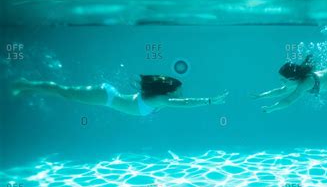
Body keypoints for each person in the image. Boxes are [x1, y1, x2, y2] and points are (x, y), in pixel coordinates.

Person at [12, 75, 228, 116]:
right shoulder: (163, 100)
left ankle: (27, 86)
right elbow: (185, 103)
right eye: (178, 88)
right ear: (171, 90)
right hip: (105, 97)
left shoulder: (161, 99)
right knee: (65, 93)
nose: (181, 92)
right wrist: (209, 101)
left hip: (107, 96)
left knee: (65, 94)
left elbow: (182, 101)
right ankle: (26, 84)